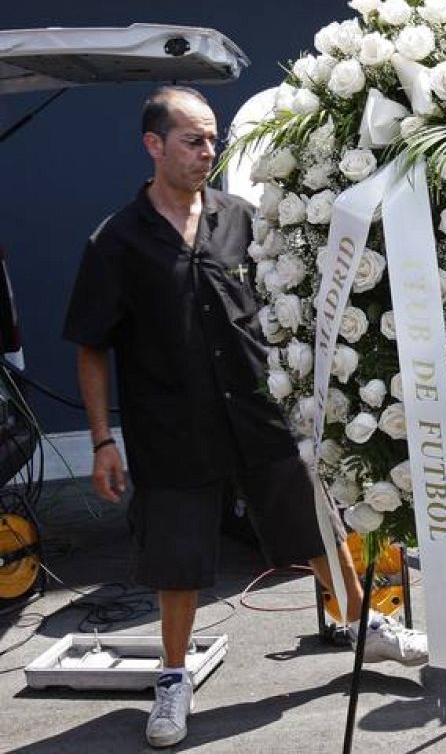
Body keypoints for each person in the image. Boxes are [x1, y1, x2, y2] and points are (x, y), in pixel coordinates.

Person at [63, 86, 427, 748]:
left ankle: (366, 629)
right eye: (193, 140)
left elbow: (286, 301)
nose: (209, 151)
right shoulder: (117, 240)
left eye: (212, 138)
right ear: (154, 145)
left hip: (260, 413)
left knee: (313, 525)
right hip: (172, 429)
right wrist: (99, 442)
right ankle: (172, 682)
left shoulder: (241, 218)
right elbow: (91, 347)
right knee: (175, 565)